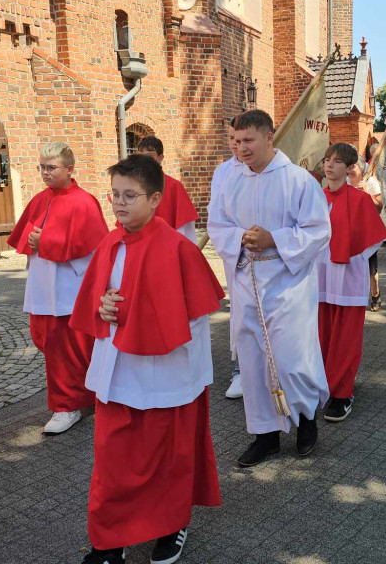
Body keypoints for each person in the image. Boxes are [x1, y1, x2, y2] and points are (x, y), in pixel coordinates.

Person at [71, 154, 223, 564]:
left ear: (155, 199)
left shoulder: (178, 248)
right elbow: (93, 300)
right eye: (115, 195)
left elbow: (196, 320)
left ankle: (171, 526)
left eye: (130, 196)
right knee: (113, 458)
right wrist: (101, 306)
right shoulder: (110, 242)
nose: (119, 204)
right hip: (118, 371)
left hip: (165, 375)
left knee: (166, 458)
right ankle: (108, 541)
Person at [208, 109, 331, 467]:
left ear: (268, 137)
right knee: (253, 361)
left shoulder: (298, 180)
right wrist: (240, 238)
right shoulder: (230, 181)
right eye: (237, 140)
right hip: (247, 279)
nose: (242, 148)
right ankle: (266, 437)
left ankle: (307, 422)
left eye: (249, 140)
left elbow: (318, 230)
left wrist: (274, 239)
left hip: (289, 284)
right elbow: (217, 224)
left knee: (292, 360)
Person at [7, 142, 109, 434]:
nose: (45, 173)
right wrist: (36, 242)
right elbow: (26, 239)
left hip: (70, 288)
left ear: (70, 169)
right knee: (53, 348)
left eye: (51, 167)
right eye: (42, 167)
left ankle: (71, 405)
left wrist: (46, 243)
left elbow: (93, 249)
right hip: (42, 287)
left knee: (74, 350)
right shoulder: (40, 200)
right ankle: (73, 403)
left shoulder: (84, 201)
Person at [318, 144, 386, 422]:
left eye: (336, 161)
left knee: (345, 338)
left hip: (347, 278)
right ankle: (323, 383)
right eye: (326, 160)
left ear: (349, 168)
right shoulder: (315, 198)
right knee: (322, 334)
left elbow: (373, 240)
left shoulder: (360, 200)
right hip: (320, 279)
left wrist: (347, 253)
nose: (329, 165)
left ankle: (342, 393)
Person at [210, 120, 246, 399]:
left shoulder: (273, 170)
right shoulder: (222, 172)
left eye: (242, 139)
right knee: (240, 312)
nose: (236, 144)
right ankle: (240, 371)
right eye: (232, 138)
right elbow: (215, 218)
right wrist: (239, 241)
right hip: (238, 254)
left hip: (268, 255)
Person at [136, 135, 200, 243]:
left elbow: (184, 227)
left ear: (160, 158)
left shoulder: (174, 187)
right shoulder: (134, 187)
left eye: (149, 156)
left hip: (167, 245)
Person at [352, 152, 384, 312]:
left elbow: (379, 206)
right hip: (351, 230)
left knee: (371, 269)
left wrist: (366, 194)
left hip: (367, 230)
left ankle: (375, 295)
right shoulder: (343, 181)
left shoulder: (370, 182)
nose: (350, 169)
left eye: (353, 166)